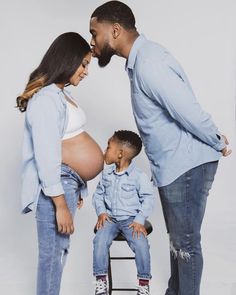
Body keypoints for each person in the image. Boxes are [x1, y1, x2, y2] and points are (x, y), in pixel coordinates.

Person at [89, 2, 232, 295]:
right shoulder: (140, 61)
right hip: (174, 168)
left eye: (95, 32)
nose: (92, 41)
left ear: (115, 30)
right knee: (178, 244)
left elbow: (187, 110)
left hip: (186, 166)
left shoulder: (149, 63)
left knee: (185, 245)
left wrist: (217, 140)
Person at [17, 32, 104, 295]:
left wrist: (79, 188)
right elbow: (46, 154)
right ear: (69, 59)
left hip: (68, 183)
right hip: (56, 188)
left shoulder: (61, 94)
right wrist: (59, 203)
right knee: (51, 258)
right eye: (84, 64)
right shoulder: (46, 99)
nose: (86, 71)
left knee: (59, 254)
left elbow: (67, 143)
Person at [93, 130, 154, 295]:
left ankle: (143, 282)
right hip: (111, 219)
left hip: (131, 220)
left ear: (120, 153)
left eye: (108, 147)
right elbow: (98, 195)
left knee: (141, 244)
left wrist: (140, 220)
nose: (104, 150)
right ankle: (101, 282)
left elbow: (148, 199)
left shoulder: (138, 176)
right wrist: (101, 212)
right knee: (99, 240)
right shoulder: (106, 174)